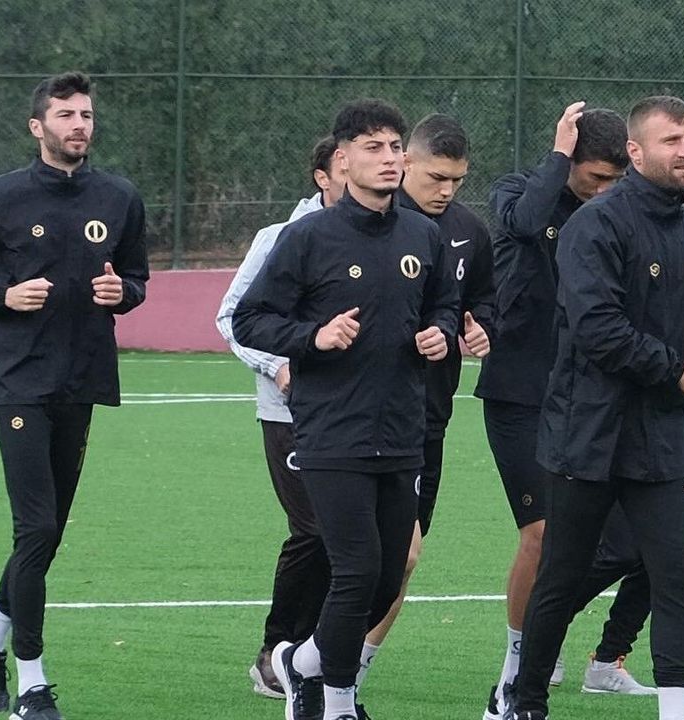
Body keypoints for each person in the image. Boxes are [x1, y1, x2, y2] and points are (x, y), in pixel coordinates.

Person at [0, 71, 150, 720]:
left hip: (81, 380)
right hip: (18, 381)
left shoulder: (119, 197)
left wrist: (123, 293)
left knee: (46, 534)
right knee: (37, 527)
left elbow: (136, 279)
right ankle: (31, 682)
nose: (79, 124)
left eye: (86, 115)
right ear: (38, 126)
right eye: (66, 115)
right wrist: (2, 294)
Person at [507, 95, 684, 720]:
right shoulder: (596, 224)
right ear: (635, 151)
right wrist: (677, 371)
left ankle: (677, 711)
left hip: (663, 433)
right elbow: (598, 330)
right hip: (588, 430)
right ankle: (523, 701)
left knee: (677, 572)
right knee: (563, 574)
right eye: (671, 141)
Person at [233, 99, 458, 720]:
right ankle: (337, 704)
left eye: (395, 148)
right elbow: (250, 319)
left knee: (386, 579)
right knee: (356, 571)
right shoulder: (307, 237)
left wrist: (440, 333)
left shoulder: (423, 236)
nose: (389, 159)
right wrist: (313, 337)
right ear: (342, 159)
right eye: (373, 148)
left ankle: (299, 662)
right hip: (331, 432)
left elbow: (444, 305)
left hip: (402, 430)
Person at [473, 102, 633, 718]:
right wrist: (560, 155)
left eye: (616, 180)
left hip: (587, 397)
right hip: (518, 392)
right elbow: (524, 223)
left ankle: (550, 631)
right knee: (541, 535)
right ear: (568, 160)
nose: (606, 191)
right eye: (595, 177)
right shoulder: (521, 190)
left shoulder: (619, 211)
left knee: (625, 541)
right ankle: (517, 669)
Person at [352, 112, 496, 689]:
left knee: (402, 560)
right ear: (406, 161)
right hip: (357, 415)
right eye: (437, 177)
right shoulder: (366, 222)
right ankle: (320, 664)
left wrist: (480, 329)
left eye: (457, 180)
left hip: (427, 419)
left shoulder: (469, 232)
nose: (447, 190)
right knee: (381, 555)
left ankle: (343, 673)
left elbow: (483, 300)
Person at [215, 135, 346, 699]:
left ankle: (317, 654)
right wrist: (277, 364)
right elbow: (231, 317)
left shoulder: (387, 235)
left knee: (352, 537)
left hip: (356, 411)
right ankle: (275, 652)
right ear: (323, 176)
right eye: (347, 164)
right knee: (313, 528)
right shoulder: (279, 238)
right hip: (288, 412)